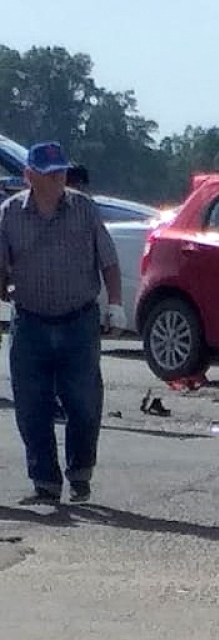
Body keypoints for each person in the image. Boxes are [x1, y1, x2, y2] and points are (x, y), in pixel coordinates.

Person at [0, 141, 126, 504]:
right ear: (29, 176)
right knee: (31, 405)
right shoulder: (9, 214)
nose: (58, 180)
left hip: (78, 321)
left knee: (84, 402)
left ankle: (80, 472)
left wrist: (114, 305)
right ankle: (45, 481)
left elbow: (109, 261)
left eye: (61, 173)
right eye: (49, 174)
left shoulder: (83, 209)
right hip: (30, 322)